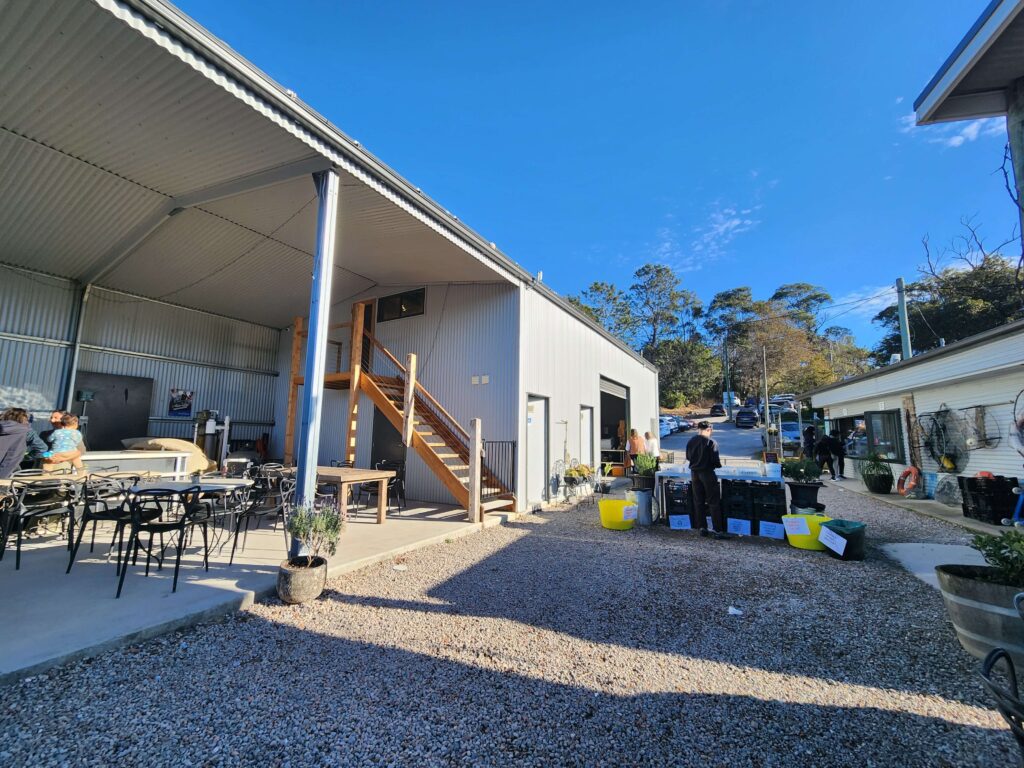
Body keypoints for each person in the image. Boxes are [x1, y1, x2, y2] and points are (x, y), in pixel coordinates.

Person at [685, 421, 732, 540]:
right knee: (713, 501)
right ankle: (717, 530)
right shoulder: (711, 442)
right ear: (709, 430)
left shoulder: (691, 441)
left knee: (698, 501)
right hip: (707, 473)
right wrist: (717, 465)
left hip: (694, 473)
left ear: (698, 429)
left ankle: (702, 528)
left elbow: (688, 457)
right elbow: (715, 460)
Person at [0, 408, 51, 479]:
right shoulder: (27, 431)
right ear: (25, 419)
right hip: (9, 472)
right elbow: (42, 449)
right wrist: (27, 457)